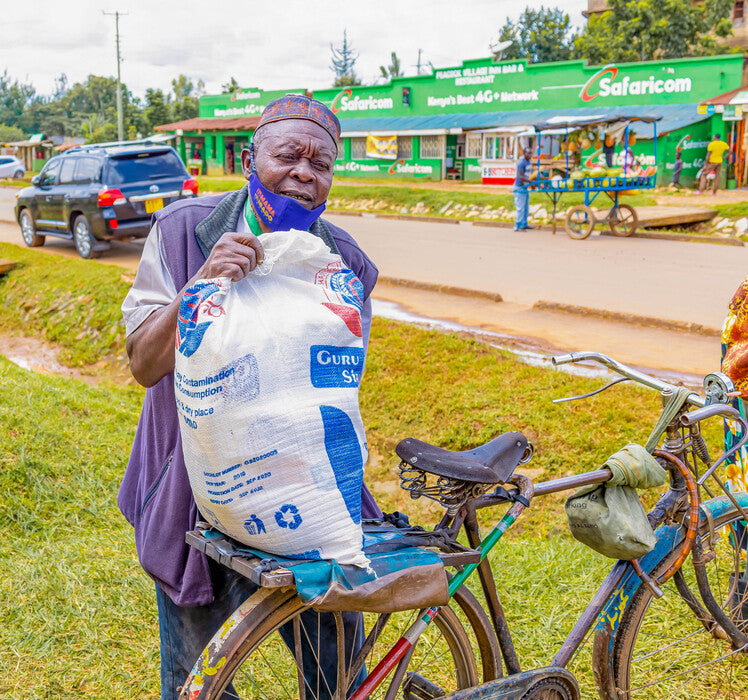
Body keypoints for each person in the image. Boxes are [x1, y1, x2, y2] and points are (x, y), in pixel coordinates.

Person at [118, 94, 382, 699]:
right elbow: (142, 364)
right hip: (197, 494)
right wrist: (202, 284)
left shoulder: (346, 262)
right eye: (287, 155)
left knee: (336, 673)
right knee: (197, 678)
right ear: (247, 158)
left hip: (306, 497)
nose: (304, 173)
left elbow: (336, 386)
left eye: (322, 163)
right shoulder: (185, 231)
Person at [513, 146, 534, 232]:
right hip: (519, 187)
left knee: (526, 207)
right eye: (528, 153)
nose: (530, 155)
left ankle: (524, 224)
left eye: (531, 153)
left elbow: (529, 174)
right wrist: (530, 181)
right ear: (524, 153)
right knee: (520, 208)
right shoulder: (521, 163)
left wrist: (532, 184)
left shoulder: (529, 162)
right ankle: (518, 226)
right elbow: (521, 177)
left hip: (525, 187)